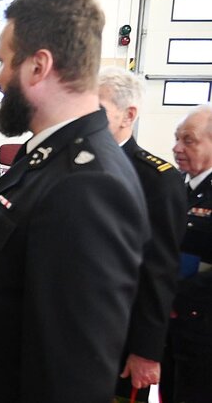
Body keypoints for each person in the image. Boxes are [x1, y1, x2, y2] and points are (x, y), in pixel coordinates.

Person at [0, 0, 149, 403]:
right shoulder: (47, 157)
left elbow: (71, 376)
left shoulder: (88, 186)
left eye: (2, 61)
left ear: (38, 66)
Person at [98, 67, 187, 403]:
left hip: (120, 337)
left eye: (98, 110)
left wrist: (147, 350)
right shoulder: (69, 166)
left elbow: (159, 271)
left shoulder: (155, 180)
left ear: (128, 115)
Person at [161, 104, 212, 403]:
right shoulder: (176, 188)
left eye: (188, 140)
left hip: (204, 328)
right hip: (171, 328)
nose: (177, 148)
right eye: (176, 138)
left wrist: (174, 295)